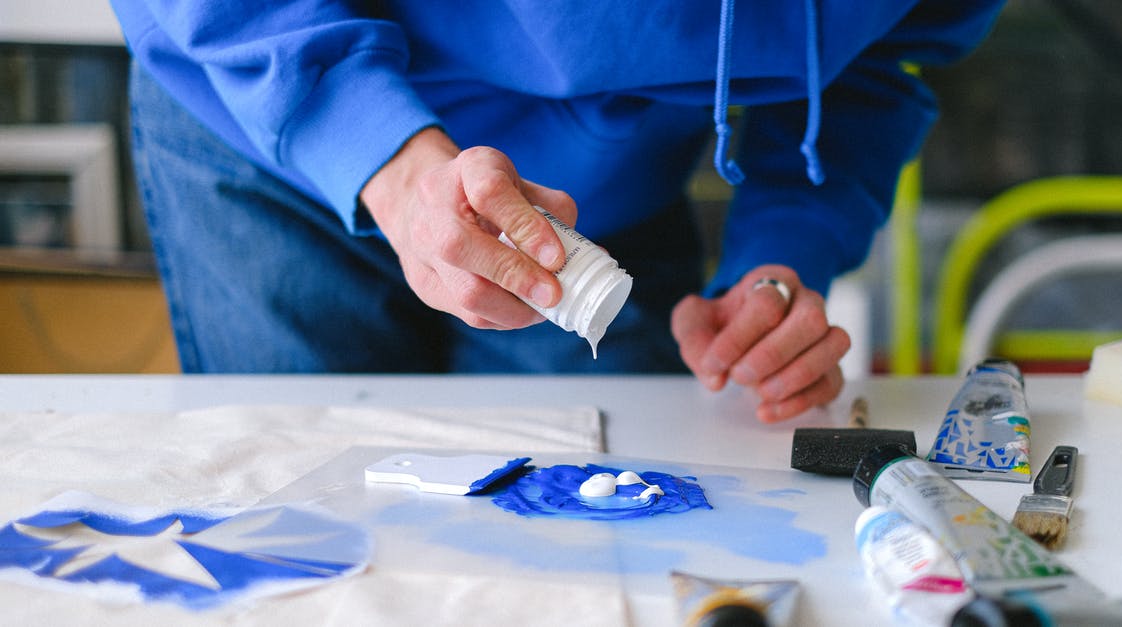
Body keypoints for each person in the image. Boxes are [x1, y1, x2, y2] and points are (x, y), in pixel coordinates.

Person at [110, 1, 1004, 422]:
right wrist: (372, 146)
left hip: (598, 210)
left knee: (601, 542)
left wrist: (781, 254)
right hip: (279, 119)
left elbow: (881, 57)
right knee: (313, 537)